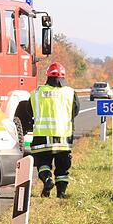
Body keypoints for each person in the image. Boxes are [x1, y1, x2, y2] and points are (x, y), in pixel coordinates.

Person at [26, 62, 78, 197]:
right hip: (63, 139)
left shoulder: (36, 93)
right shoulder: (70, 93)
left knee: (43, 164)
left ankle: (47, 180)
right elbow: (75, 111)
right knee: (62, 168)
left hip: (41, 138)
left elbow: (28, 111)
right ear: (63, 78)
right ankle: (61, 194)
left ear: (48, 76)